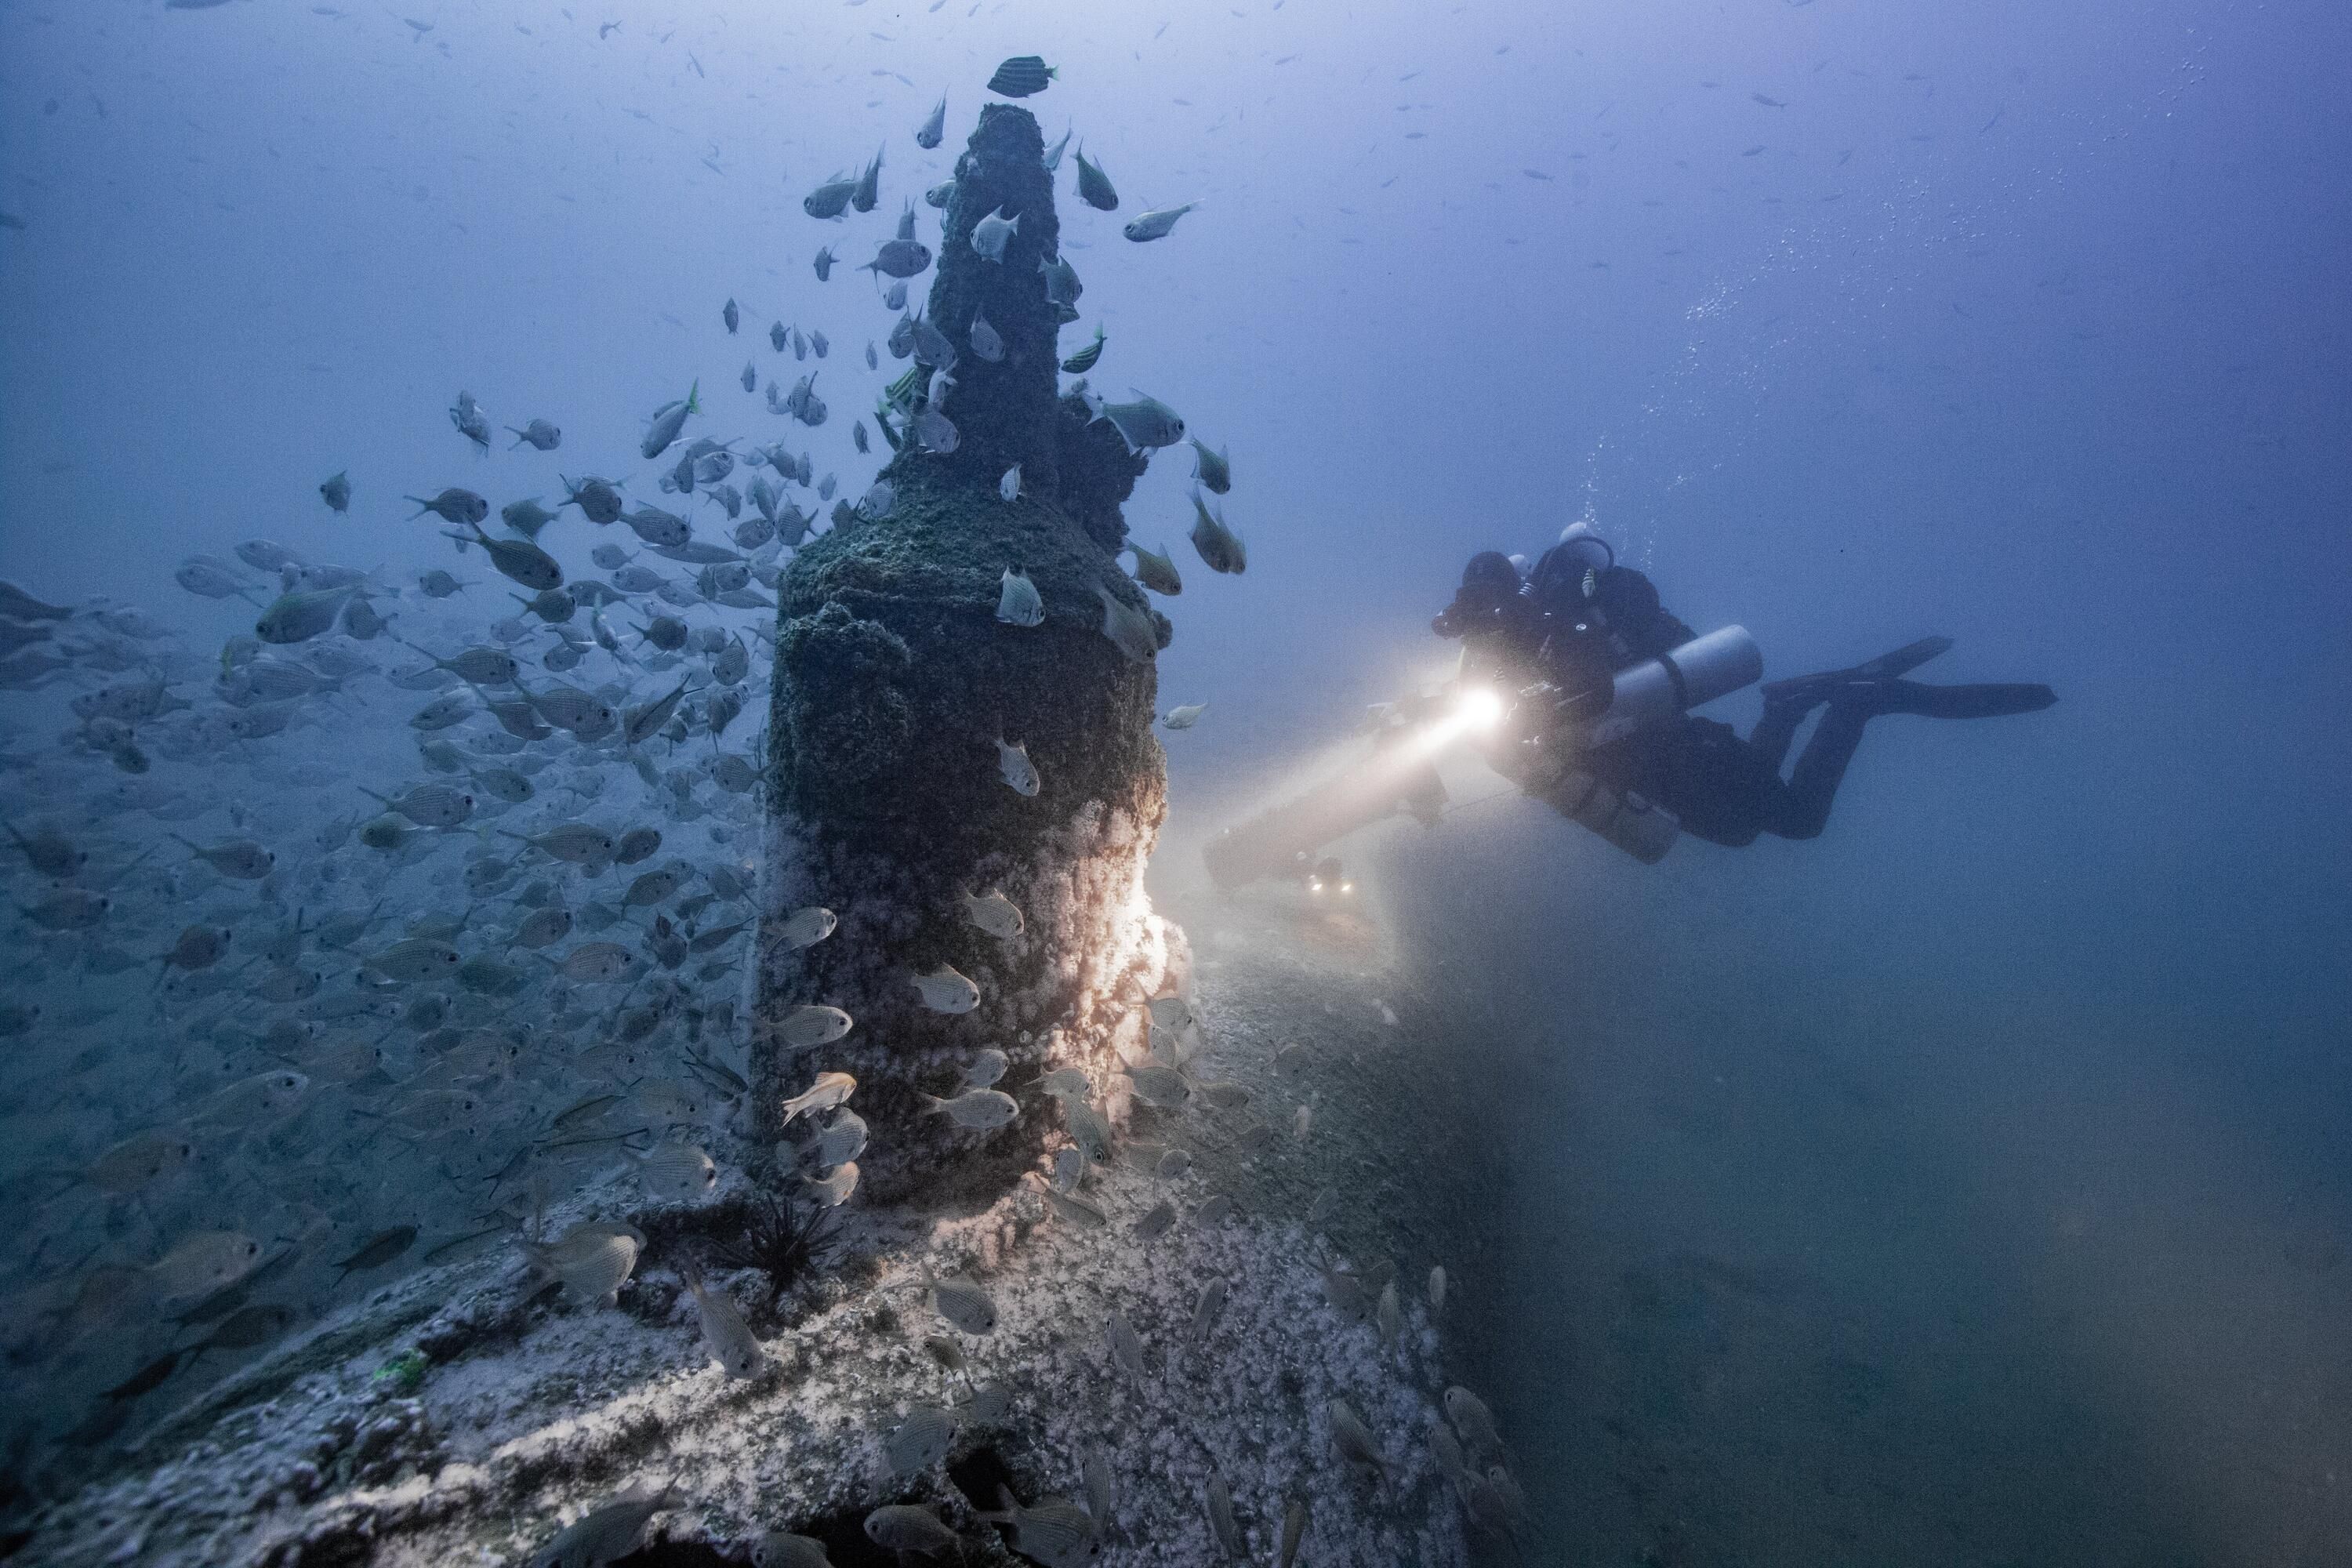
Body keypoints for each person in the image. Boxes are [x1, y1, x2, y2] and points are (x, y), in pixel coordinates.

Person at [1430, 526, 2056, 848]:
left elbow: (1592, 686)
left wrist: (1543, 706)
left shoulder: (1556, 624)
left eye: (1482, 606)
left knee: (1798, 823)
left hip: (1665, 751)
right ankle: (1789, 707)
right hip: (1641, 771)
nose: (1477, 622)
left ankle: (1859, 705)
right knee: (1742, 831)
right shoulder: (1501, 654)